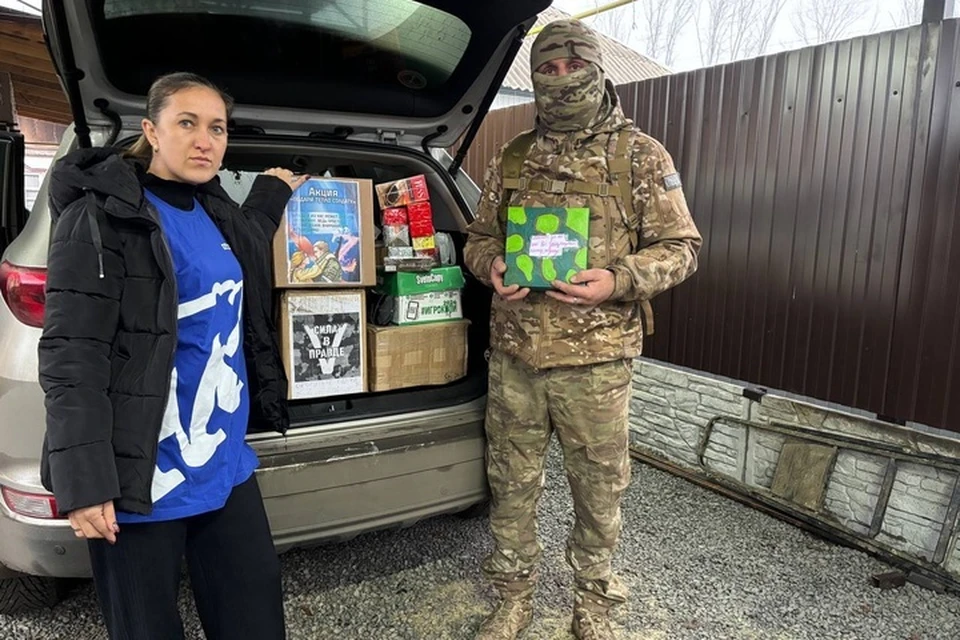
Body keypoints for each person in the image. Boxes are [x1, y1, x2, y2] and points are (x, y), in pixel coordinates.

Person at [38, 72, 307, 640]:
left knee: (256, 621)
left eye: (217, 128)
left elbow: (250, 240)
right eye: (187, 123)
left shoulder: (215, 210)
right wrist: (84, 482)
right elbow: (72, 356)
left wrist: (272, 191)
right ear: (151, 131)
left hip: (224, 467)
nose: (204, 140)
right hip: (142, 480)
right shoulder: (100, 219)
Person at [463, 19, 703, 640]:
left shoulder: (640, 155)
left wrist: (618, 279)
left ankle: (593, 608)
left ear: (598, 69)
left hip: (597, 364)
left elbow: (682, 248)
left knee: (598, 494)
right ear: (536, 77)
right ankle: (512, 599)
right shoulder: (513, 155)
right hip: (517, 357)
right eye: (549, 70)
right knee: (511, 486)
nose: (563, 80)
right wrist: (489, 264)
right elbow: (480, 237)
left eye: (575, 67)